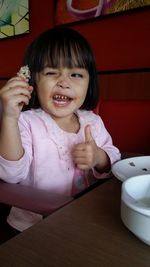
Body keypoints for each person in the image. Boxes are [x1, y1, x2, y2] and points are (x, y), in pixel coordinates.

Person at [0, 27, 121, 234]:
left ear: (89, 83)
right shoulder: (26, 122)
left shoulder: (93, 121)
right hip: (31, 226)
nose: (64, 82)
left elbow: (114, 159)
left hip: (84, 219)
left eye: (75, 74)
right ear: (33, 82)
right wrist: (10, 117)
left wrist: (99, 157)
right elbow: (10, 174)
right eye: (51, 72)